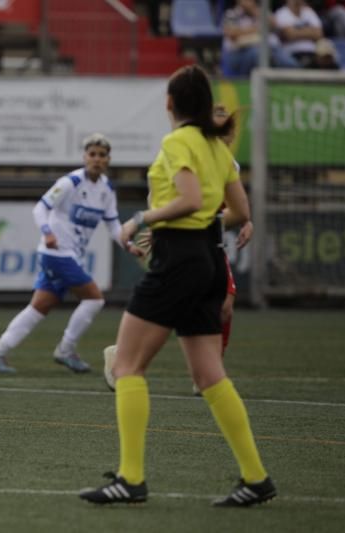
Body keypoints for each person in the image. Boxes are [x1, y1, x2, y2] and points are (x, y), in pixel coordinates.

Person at [80, 65, 275, 507]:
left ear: (169, 103)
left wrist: (142, 219)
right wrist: (185, 224)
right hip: (208, 257)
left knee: (127, 366)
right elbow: (240, 211)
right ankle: (256, 477)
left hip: (180, 261)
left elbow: (187, 200)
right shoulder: (215, 145)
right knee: (209, 374)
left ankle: (131, 479)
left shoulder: (179, 141)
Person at [103, 105, 255, 395]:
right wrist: (151, 224)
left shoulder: (227, 163)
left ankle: (207, 375)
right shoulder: (182, 152)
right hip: (184, 242)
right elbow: (169, 199)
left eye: (228, 130)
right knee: (177, 309)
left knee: (221, 307)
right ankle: (123, 358)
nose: (224, 135)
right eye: (218, 127)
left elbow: (235, 207)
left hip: (210, 242)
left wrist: (247, 221)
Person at [0, 134, 143, 375]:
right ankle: (66, 350)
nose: (97, 159)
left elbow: (112, 225)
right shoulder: (70, 182)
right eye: (92, 154)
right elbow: (41, 208)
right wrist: (47, 232)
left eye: (102, 155)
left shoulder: (106, 189)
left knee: (39, 306)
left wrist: (128, 245)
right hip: (56, 253)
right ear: (84, 157)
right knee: (94, 298)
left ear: (108, 160)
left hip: (70, 255)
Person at [274, 0, 324, 67]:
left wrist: (296, 31)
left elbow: (319, 34)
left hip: (312, 53)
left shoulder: (308, 11)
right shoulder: (281, 13)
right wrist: (310, 30)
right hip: (292, 54)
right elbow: (289, 34)